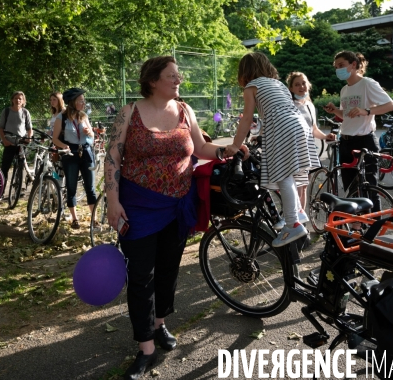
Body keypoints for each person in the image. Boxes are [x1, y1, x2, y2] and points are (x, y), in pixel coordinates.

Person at [104, 56, 223, 380]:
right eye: (172, 75)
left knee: (168, 269)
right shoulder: (131, 112)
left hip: (178, 207)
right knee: (141, 274)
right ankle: (145, 347)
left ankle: (159, 325)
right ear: (153, 80)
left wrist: (228, 150)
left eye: (178, 75)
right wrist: (112, 200)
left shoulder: (185, 111)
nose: (179, 79)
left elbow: (199, 147)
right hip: (138, 206)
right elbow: (113, 156)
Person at [224, 52, 319, 247]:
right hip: (300, 125)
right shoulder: (278, 84)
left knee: (282, 174)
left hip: (283, 127)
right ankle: (298, 212)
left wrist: (235, 144)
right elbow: (276, 109)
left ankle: (293, 224)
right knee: (292, 171)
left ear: (245, 72)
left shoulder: (252, 87)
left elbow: (247, 118)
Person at [324, 51, 393, 212]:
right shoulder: (344, 90)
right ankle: (356, 227)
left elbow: (391, 105)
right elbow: (347, 114)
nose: (338, 70)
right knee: (350, 188)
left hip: (365, 141)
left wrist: (367, 110)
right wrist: (335, 111)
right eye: (336, 67)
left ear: (354, 65)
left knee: (370, 187)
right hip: (345, 141)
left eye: (341, 65)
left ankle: (373, 227)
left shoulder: (367, 84)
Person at [285, 71, 336, 218]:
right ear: (291, 88)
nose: (301, 86)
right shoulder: (289, 105)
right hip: (293, 150)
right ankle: (293, 219)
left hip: (307, 150)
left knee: (303, 186)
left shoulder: (309, 105)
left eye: (304, 83)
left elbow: (313, 129)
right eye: (297, 84)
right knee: (296, 186)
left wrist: (326, 136)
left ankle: (301, 219)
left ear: (308, 85)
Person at [52, 88, 97, 229]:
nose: (83, 103)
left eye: (84, 100)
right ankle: (74, 218)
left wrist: (90, 133)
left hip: (85, 152)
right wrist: (64, 146)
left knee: (90, 188)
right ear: (72, 102)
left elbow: (92, 137)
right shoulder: (62, 117)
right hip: (70, 154)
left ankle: (94, 219)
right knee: (71, 188)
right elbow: (55, 139)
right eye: (80, 101)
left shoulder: (84, 116)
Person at [0, 91, 33, 192]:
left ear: (23, 101)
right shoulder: (6, 111)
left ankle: (17, 190)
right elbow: (1, 128)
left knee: (20, 168)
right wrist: (4, 140)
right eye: (16, 98)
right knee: (5, 168)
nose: (18, 100)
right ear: (12, 100)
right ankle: (0, 192)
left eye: (20, 99)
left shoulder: (25, 112)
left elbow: (30, 129)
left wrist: (29, 138)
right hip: (9, 144)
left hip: (21, 144)